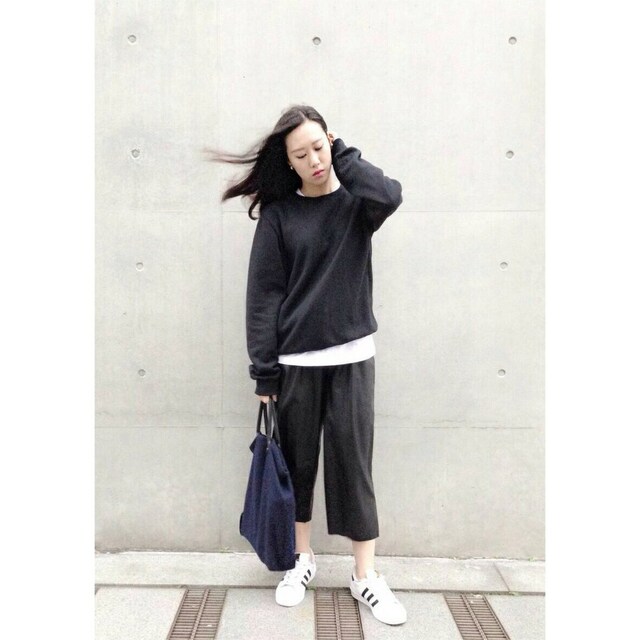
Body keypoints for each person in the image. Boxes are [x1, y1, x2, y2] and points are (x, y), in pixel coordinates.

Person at [207, 104, 406, 626]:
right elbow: (263, 298)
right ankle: (301, 560)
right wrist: (264, 372)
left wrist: (343, 154)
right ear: (289, 161)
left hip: (352, 358)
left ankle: (365, 575)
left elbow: (390, 194)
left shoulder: (358, 203)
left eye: (319, 147)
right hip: (296, 362)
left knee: (354, 467)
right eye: (302, 154)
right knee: (297, 465)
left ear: (330, 142)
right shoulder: (279, 215)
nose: (314, 160)